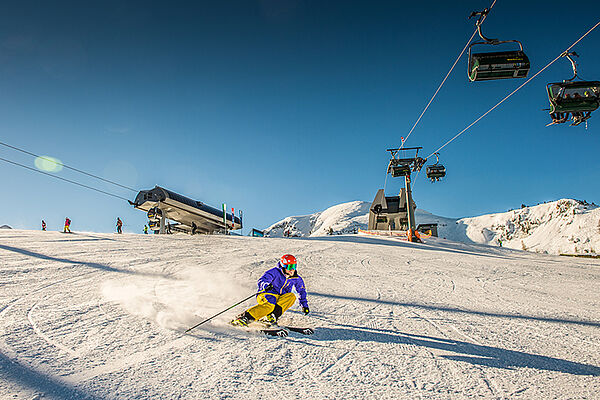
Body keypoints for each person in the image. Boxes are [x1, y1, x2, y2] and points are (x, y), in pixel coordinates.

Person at [231, 254, 310, 327]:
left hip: (279, 297)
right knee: (270, 304)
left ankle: (272, 315)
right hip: (266, 294)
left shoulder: (296, 278)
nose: (292, 270)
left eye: (294, 266)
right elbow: (262, 280)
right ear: (283, 266)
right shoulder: (274, 272)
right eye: (289, 267)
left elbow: (302, 291)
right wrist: (266, 285)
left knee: (291, 297)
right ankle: (245, 317)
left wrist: (304, 305)